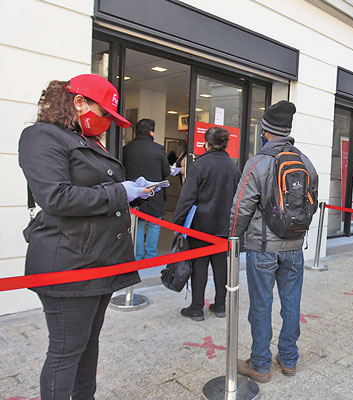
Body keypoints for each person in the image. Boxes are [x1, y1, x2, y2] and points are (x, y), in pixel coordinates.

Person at [18, 74, 162, 399]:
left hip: (97, 261)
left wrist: (133, 193)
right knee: (66, 352)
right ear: (79, 102)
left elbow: (95, 190)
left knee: (87, 347)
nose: (108, 123)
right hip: (68, 263)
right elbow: (56, 196)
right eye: (105, 114)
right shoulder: (42, 136)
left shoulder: (83, 138)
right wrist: (118, 192)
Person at [230, 100, 318, 382]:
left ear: (265, 131)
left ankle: (260, 365)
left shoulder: (257, 163)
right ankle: (289, 360)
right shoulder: (305, 162)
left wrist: (232, 239)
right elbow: (311, 203)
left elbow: (240, 208)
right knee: (292, 304)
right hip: (294, 247)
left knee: (261, 305)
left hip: (263, 248)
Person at [173, 127, 240, 321]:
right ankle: (220, 305)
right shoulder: (233, 167)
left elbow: (187, 197)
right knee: (220, 265)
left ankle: (196, 308)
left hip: (200, 225)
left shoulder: (200, 165)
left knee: (199, 266)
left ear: (206, 144)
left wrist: (177, 223)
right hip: (223, 227)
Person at [123, 119, 170, 260]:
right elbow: (166, 171)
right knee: (154, 226)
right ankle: (151, 256)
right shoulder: (158, 149)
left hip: (134, 194)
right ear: (151, 132)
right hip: (154, 194)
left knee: (137, 225)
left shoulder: (126, 149)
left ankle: (137, 255)